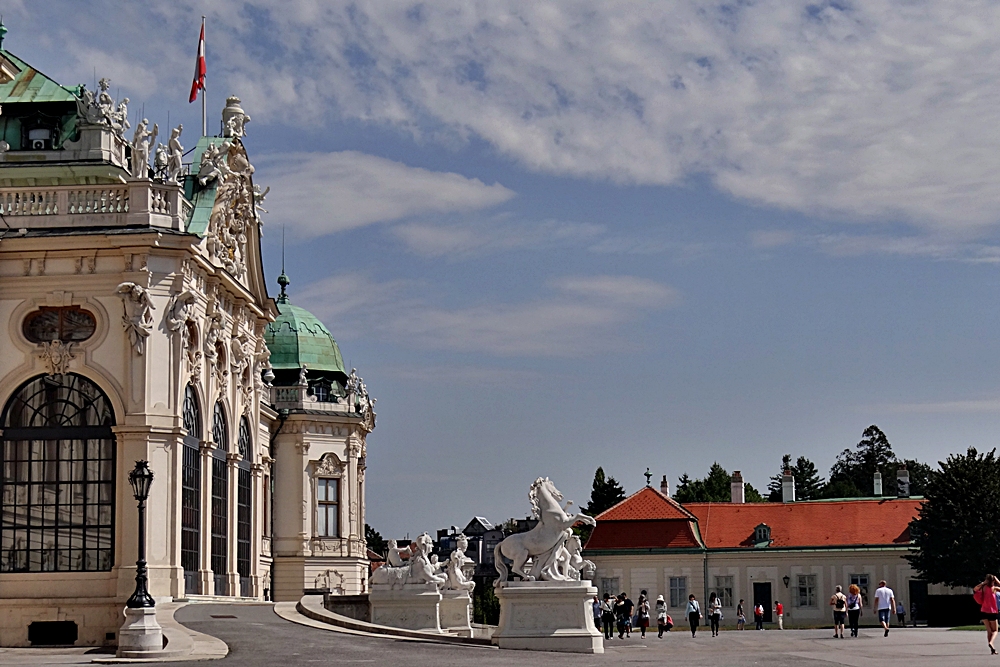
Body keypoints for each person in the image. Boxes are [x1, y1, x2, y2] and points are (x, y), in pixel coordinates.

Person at [973, 574, 1000, 655]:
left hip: (983, 611)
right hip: (992, 611)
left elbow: (975, 589)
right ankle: (991, 643)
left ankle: (992, 649)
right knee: (995, 630)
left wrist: (983, 583)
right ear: (993, 581)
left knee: (989, 631)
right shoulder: (994, 588)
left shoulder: (983, 588)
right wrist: (997, 580)